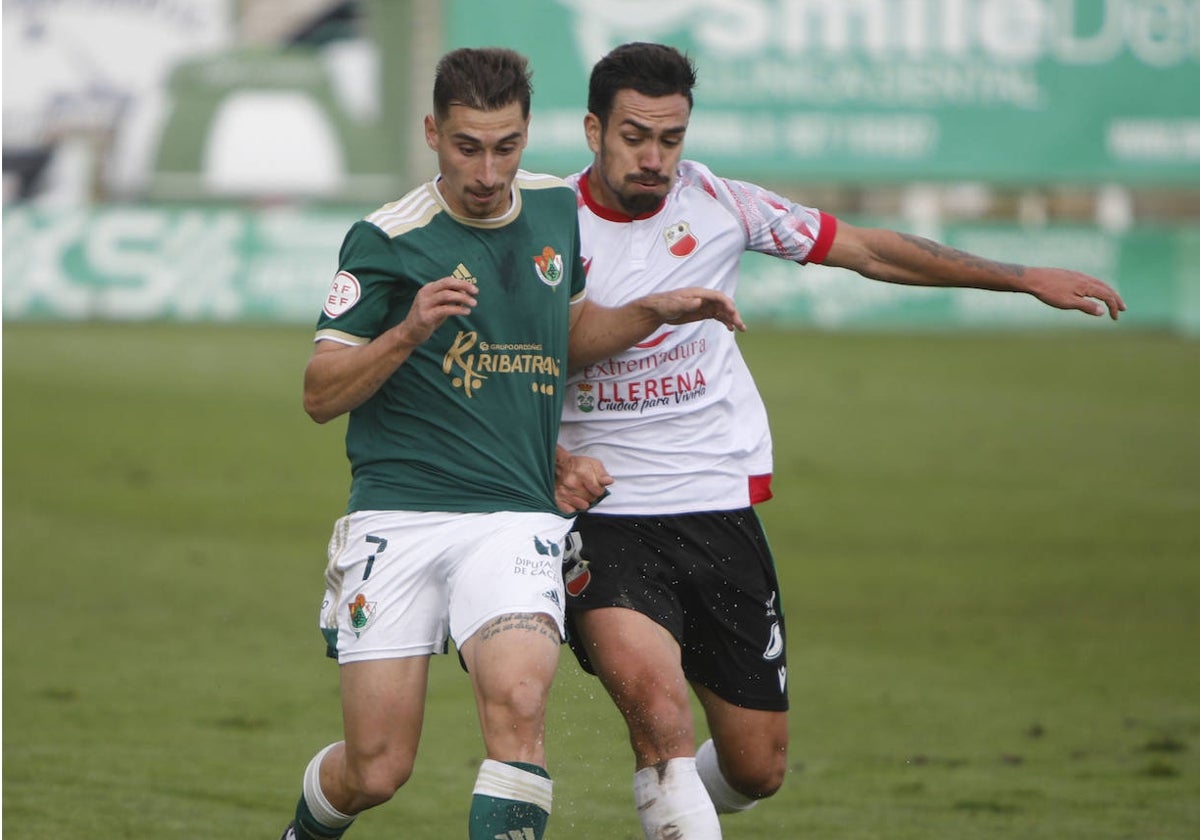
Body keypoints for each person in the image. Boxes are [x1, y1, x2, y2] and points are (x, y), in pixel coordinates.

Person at [555, 42, 1127, 840]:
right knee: (661, 717)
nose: (655, 158)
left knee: (756, 768)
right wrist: (658, 309)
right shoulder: (546, 226)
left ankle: (670, 803)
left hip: (716, 506)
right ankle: (671, 792)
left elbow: (867, 249)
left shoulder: (722, 202)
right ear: (593, 130)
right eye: (635, 136)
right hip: (603, 512)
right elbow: (549, 352)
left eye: (671, 138)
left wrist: (1021, 275)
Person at [278, 46, 744, 840]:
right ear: (433, 133)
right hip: (401, 517)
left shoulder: (554, 214)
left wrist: (653, 310)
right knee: (377, 769)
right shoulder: (387, 240)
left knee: (521, 706)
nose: (488, 171)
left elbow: (560, 336)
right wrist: (408, 330)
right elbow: (320, 395)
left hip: (513, 520)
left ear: (527, 134)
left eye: (506, 146)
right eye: (467, 147)